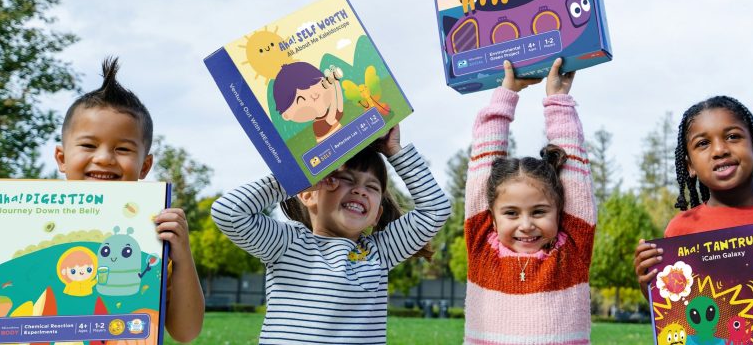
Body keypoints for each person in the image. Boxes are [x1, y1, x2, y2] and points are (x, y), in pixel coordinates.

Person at [0, 58, 205, 344]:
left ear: (144, 167)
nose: (104, 158)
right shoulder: (11, 221)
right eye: (88, 145)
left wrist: (181, 254)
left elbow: (187, 332)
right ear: (61, 157)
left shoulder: (152, 236)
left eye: (122, 148)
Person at [211, 125, 451, 344]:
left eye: (372, 187)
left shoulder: (379, 253)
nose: (360, 191)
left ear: (377, 214)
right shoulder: (288, 243)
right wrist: (297, 177)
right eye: (346, 180)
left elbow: (436, 209)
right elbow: (228, 212)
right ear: (308, 194)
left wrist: (395, 151)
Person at [633, 95, 753, 337]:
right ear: (690, 167)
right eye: (703, 143)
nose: (719, 150)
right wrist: (649, 285)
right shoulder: (680, 230)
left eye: (733, 136)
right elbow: (682, 318)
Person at [463, 58, 596, 344]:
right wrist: (505, 94)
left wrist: (558, 100)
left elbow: (573, 169)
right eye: (511, 213)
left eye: (538, 211)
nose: (526, 225)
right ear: (491, 214)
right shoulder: (481, 246)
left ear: (560, 211)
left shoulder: (572, 250)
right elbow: (482, 165)